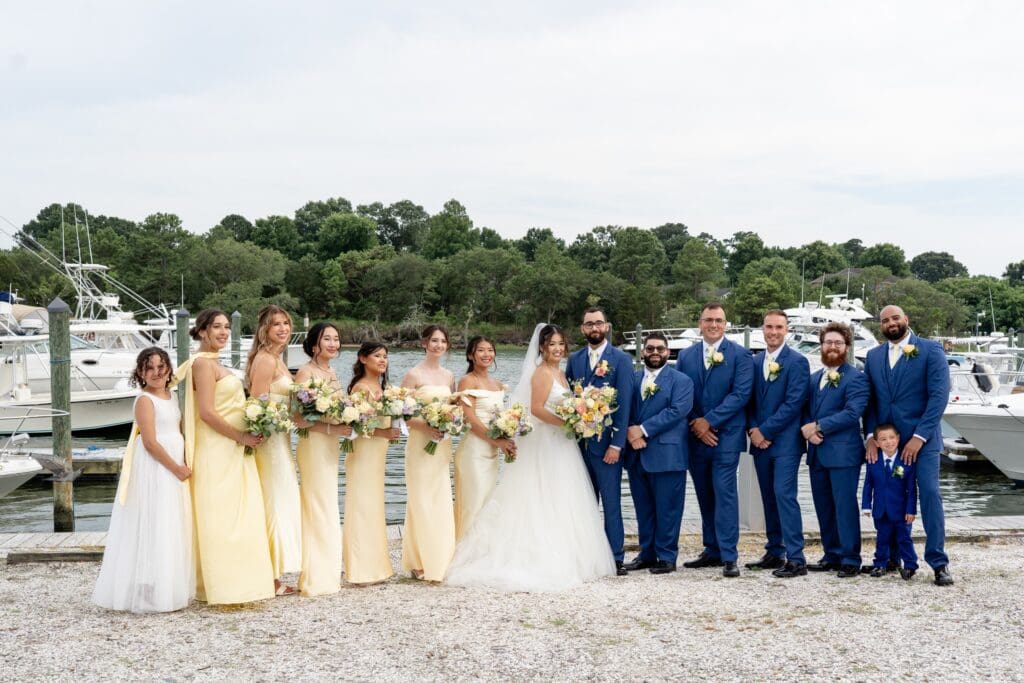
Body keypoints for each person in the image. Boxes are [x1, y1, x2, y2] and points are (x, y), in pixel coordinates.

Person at [446, 323, 616, 592]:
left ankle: (569, 554)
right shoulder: (541, 373)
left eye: (561, 344)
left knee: (562, 494)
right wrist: (569, 422)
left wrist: (578, 417)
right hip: (546, 441)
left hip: (562, 443)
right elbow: (536, 409)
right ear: (542, 347)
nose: (558, 349)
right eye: (552, 345)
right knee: (539, 492)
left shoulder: (560, 373)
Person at [93, 347, 194, 612]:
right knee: (153, 519)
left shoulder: (171, 397)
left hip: (173, 459)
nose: (157, 372)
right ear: (140, 372)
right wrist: (176, 467)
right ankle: (146, 587)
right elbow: (149, 442)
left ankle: (166, 584)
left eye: (161, 366)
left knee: (170, 521)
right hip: (156, 466)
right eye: (150, 368)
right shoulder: (144, 400)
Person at [184, 309, 275, 604]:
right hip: (217, 448)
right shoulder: (201, 364)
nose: (223, 332)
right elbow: (207, 413)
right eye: (217, 327)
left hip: (233, 448)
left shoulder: (215, 362)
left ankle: (240, 580)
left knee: (240, 513)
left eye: (226, 327)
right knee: (220, 516)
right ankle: (218, 585)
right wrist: (242, 437)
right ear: (201, 331)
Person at [863, 304, 953, 586]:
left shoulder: (930, 350)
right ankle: (890, 558)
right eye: (885, 320)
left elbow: (938, 396)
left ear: (906, 320)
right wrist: (871, 438)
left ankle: (938, 562)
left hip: (921, 442)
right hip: (887, 444)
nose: (890, 323)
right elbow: (872, 403)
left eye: (895, 318)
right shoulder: (873, 356)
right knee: (889, 497)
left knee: (928, 494)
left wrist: (919, 436)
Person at [676, 302, 753, 577]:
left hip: (726, 437)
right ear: (700, 323)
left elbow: (740, 395)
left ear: (726, 324)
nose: (713, 325)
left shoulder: (741, 355)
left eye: (718, 320)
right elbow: (682, 393)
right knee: (704, 494)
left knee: (725, 493)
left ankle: (730, 555)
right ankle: (712, 549)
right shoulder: (686, 356)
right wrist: (696, 423)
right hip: (696, 437)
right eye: (708, 320)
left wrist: (709, 421)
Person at [565, 307, 634, 575]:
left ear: (607, 326)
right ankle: (586, 555)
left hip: (607, 448)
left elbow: (625, 403)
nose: (594, 328)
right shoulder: (575, 359)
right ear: (583, 329)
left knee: (612, 503)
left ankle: (616, 557)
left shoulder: (621, 359)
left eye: (598, 323)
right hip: (580, 446)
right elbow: (571, 398)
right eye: (589, 324)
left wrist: (617, 445)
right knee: (584, 502)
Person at [746, 310, 811, 578]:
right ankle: (775, 550)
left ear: (787, 330)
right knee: (768, 498)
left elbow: (794, 403)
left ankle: (796, 558)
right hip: (759, 442)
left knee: (785, 496)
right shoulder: (754, 361)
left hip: (785, 442)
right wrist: (752, 429)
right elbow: (747, 399)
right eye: (769, 327)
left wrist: (766, 430)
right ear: (763, 329)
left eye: (779, 327)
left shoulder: (798, 361)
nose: (773, 332)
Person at [801, 322, 869, 579]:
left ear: (847, 347)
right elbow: (805, 409)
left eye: (837, 343)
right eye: (828, 342)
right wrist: (807, 428)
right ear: (822, 346)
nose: (832, 347)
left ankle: (850, 558)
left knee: (844, 506)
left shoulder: (857, 379)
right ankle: (831, 554)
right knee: (824, 506)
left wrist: (818, 427)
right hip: (817, 453)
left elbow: (852, 414)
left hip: (844, 455)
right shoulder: (814, 378)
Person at [622, 332, 693, 574]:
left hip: (667, 454)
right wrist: (630, 434)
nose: (654, 353)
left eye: (660, 349)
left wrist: (641, 430)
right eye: (650, 348)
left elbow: (677, 411)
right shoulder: (631, 379)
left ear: (668, 352)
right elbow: (622, 410)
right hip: (636, 454)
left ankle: (667, 556)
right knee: (643, 508)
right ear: (642, 352)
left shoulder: (681, 381)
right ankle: (647, 553)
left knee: (668, 508)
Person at [246, 304, 302, 595]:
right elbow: (257, 405)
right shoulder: (265, 360)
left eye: (286, 323)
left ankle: (274, 573)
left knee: (281, 500)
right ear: (264, 330)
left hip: (282, 440)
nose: (282, 328)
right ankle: (270, 578)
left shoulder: (278, 360)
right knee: (273, 501)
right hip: (269, 443)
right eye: (275, 324)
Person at [294, 322, 351, 597]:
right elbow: (298, 419)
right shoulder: (306, 373)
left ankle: (328, 568)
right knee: (317, 504)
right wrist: (333, 428)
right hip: (315, 444)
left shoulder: (331, 371)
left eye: (336, 339)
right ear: (314, 343)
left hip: (331, 445)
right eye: (326, 339)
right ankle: (315, 575)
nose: (332, 344)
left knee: (328, 503)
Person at [400, 325, 457, 581]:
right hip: (420, 443)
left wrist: (448, 424)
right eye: (434, 340)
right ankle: (419, 560)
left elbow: (453, 409)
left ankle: (442, 557)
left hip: (442, 443)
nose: (438, 345)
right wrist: (427, 426)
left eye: (443, 341)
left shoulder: (449, 377)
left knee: (440, 498)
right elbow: (403, 414)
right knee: (421, 499)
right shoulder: (413, 374)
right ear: (425, 343)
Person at [344, 342, 401, 585]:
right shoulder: (360, 388)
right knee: (362, 506)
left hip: (378, 453)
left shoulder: (382, 387)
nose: (382, 360)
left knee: (373, 505)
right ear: (363, 359)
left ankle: (376, 565)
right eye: (377, 356)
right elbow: (357, 427)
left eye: (385, 356)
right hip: (365, 452)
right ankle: (360, 569)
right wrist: (384, 434)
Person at [453, 335, 515, 541]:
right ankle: (463, 553)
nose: (486, 354)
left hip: (492, 452)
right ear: (471, 355)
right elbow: (470, 420)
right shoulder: (468, 381)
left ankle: (481, 553)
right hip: (474, 451)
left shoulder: (497, 385)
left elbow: (500, 418)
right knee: (474, 501)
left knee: (487, 502)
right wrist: (497, 441)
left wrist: (507, 437)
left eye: (490, 350)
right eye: (481, 350)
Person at [861, 423, 919, 580]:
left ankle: (910, 566)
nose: (889, 442)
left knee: (904, 539)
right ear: (877, 442)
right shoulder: (873, 461)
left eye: (892, 438)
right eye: (883, 439)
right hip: (881, 510)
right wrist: (866, 506)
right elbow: (868, 485)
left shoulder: (905, 460)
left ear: (898, 438)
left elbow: (912, 490)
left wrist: (911, 510)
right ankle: (880, 564)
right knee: (882, 538)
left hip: (901, 512)